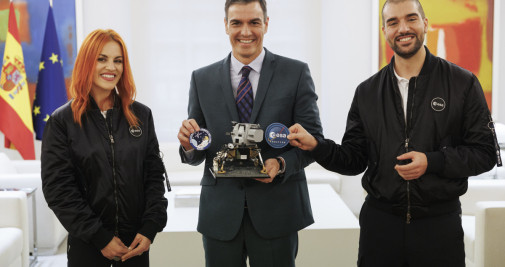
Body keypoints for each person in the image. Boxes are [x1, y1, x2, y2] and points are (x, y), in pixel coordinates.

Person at [287, 0, 501, 266]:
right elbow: (354, 159)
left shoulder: (463, 83)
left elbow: (484, 153)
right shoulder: (367, 92)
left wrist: (432, 161)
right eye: (393, 22)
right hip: (380, 227)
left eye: (411, 18)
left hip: (439, 227)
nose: (403, 28)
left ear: (425, 23)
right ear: (385, 30)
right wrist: (316, 146)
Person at [177, 0, 323, 266]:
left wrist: (280, 164)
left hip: (276, 211)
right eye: (237, 23)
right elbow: (199, 149)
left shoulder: (295, 73)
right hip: (220, 214)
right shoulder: (202, 79)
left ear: (266, 24)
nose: (246, 31)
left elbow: (314, 142)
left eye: (254, 22)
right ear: (225, 26)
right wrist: (188, 145)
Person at [41, 29, 168, 267]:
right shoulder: (62, 122)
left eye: (117, 60)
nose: (111, 67)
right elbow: (59, 191)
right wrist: (100, 238)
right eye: (102, 59)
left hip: (135, 246)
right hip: (88, 246)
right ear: (87, 62)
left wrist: (150, 227)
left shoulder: (141, 115)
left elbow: (153, 177)